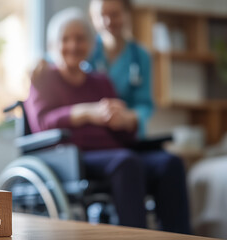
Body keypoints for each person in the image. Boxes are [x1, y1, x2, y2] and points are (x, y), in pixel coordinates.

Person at [24, 7, 191, 233]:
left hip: (115, 150)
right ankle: (135, 236)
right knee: (126, 161)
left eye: (80, 39)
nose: (73, 45)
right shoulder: (43, 77)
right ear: (52, 45)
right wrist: (85, 112)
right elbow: (42, 123)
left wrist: (123, 120)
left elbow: (125, 135)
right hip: (72, 155)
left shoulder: (101, 82)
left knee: (170, 163)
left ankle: (179, 235)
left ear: (92, 45)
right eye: (65, 39)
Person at [88, 0, 153, 138]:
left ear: (127, 14)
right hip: (94, 133)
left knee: (168, 160)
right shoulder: (86, 50)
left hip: (128, 134)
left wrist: (128, 118)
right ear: (92, 17)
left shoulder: (141, 56)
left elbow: (145, 104)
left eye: (114, 14)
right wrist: (41, 62)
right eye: (101, 15)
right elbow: (60, 62)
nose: (108, 21)